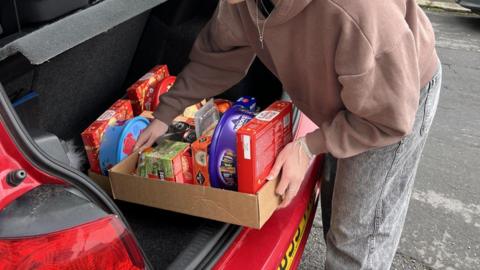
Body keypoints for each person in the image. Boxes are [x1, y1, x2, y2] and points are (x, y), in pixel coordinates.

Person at [133, 0, 442, 268]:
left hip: (393, 99)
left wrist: (307, 147)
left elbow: (388, 117)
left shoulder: (357, 11)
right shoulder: (241, 3)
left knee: (358, 235)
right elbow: (218, 57)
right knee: (337, 212)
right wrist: (165, 114)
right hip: (345, 92)